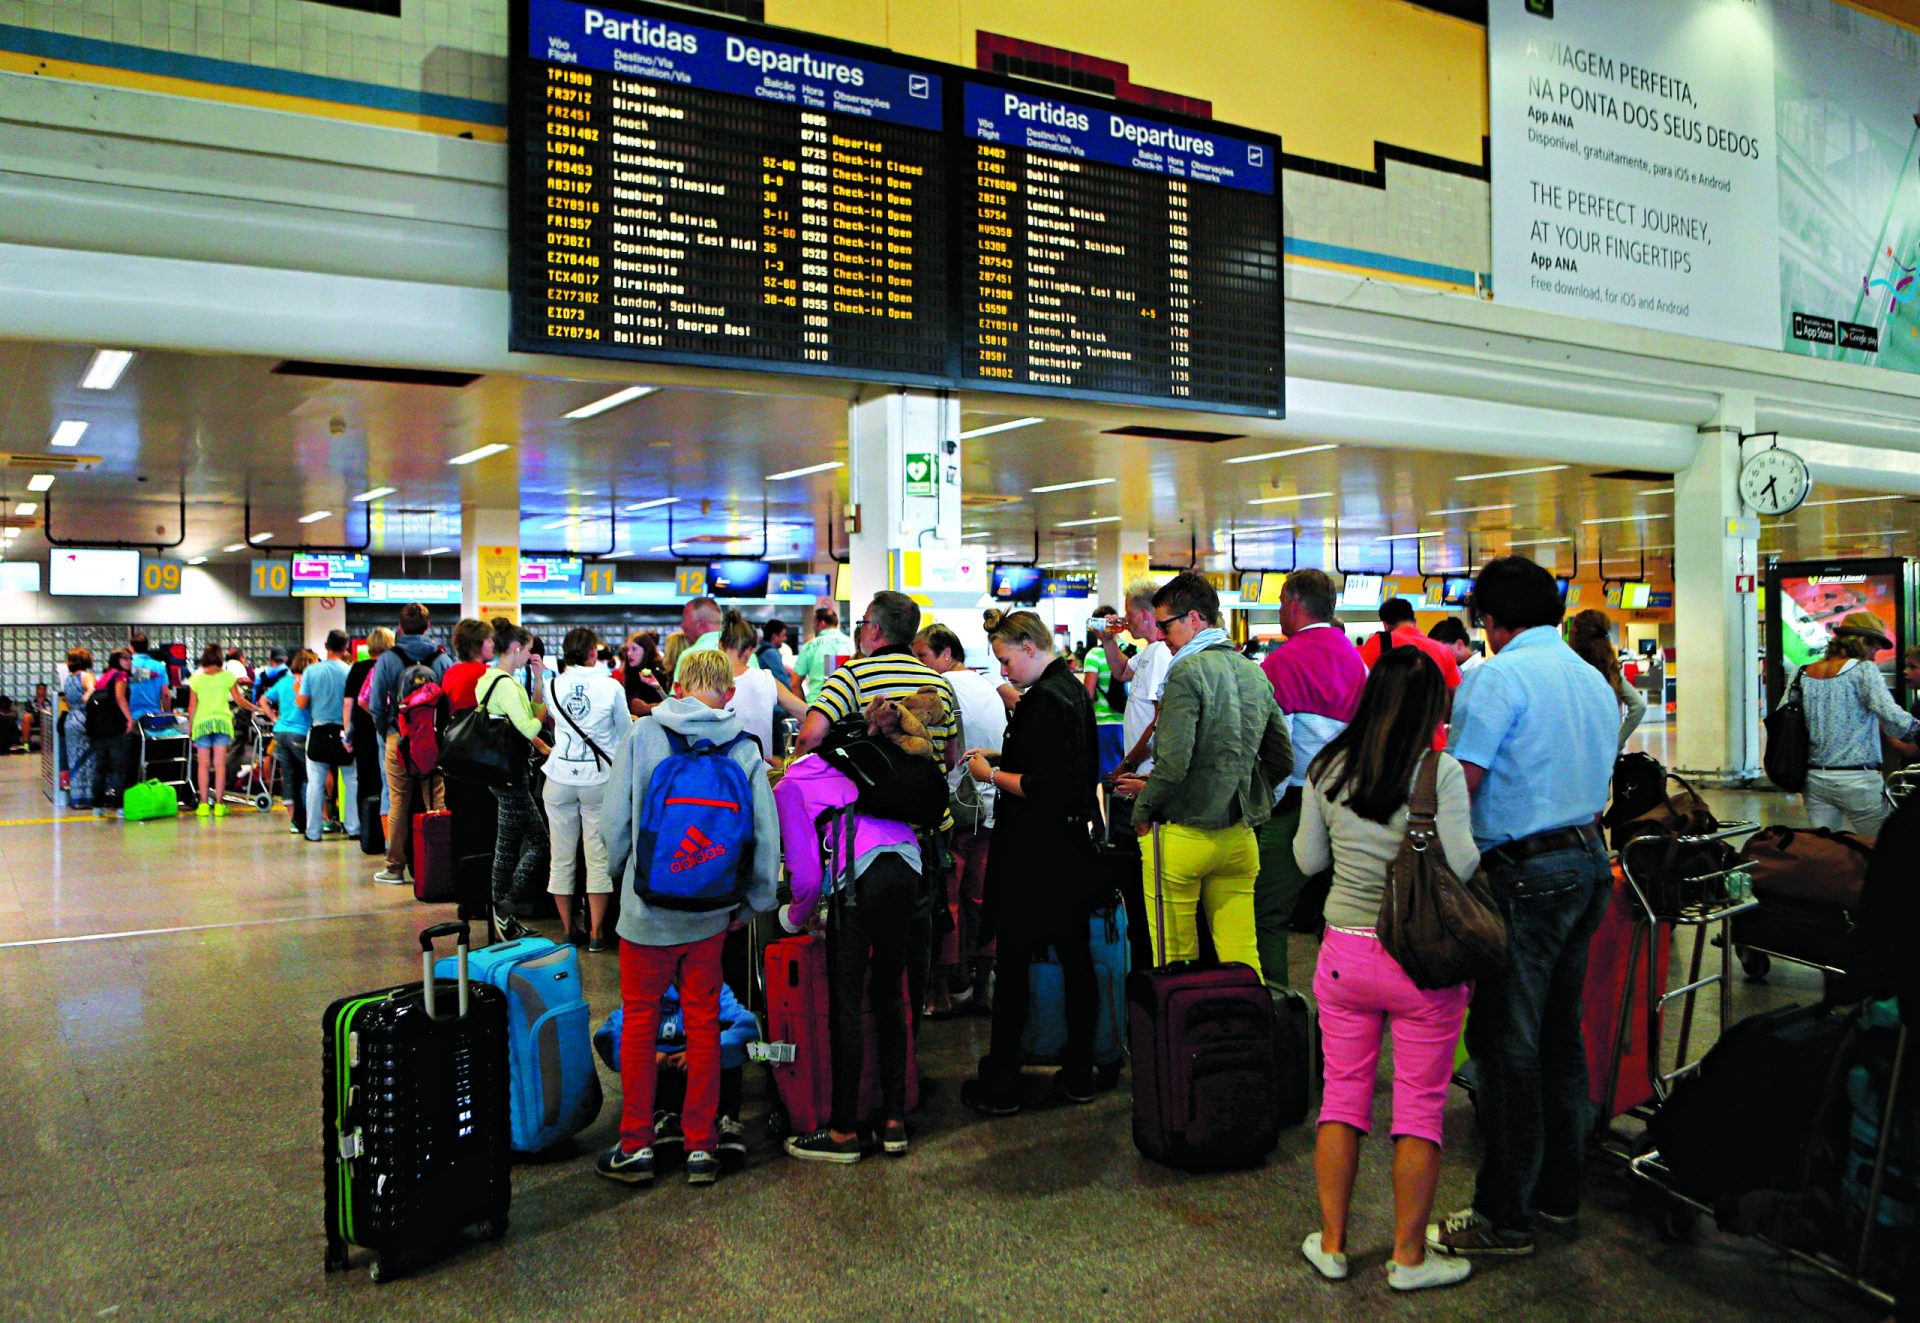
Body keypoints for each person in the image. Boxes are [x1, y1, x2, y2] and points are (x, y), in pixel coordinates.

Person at [1427, 556, 1618, 1260]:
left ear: (1489, 618)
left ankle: (1505, 1215)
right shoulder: (1591, 679)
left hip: (1525, 875)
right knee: (1561, 1038)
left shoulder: (1497, 677)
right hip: (1590, 862)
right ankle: (1561, 1195)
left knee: (1508, 1046)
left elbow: (1463, 783)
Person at [1294, 648, 1478, 1292]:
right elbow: (1463, 862)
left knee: (1342, 1098)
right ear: (1434, 708)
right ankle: (1407, 1258)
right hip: (1420, 960)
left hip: (1344, 953)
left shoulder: (1329, 767)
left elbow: (1308, 861)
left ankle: (1335, 1244)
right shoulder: (1440, 771)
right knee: (1419, 1107)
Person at [598, 649, 779, 1187]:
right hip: (710, 915)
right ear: (727, 694)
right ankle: (702, 1146)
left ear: (676, 685)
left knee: (639, 1021)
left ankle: (637, 1145)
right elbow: (764, 840)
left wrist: (623, 881)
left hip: (646, 913)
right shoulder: (744, 750)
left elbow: (613, 823)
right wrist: (751, 905)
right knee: (703, 1022)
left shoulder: (642, 735)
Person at [958, 609, 1102, 1115]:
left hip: (1032, 857)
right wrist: (1004, 759)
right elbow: (1065, 768)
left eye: (1005, 659)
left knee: (1014, 963)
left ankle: (1002, 1081)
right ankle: (1080, 1070)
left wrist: (988, 774)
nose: (1003, 671)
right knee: (1076, 960)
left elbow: (1042, 787)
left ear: (1028, 645)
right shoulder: (1072, 693)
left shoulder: (1042, 701)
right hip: (1071, 853)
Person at [793, 592, 960, 1023]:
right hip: (927, 834)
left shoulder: (852, 678)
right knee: (914, 945)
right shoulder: (938, 683)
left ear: (874, 630)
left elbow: (811, 736)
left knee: (861, 957)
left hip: (870, 843)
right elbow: (953, 757)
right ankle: (905, 1046)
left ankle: (860, 1048)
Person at [1115, 573, 1292, 977]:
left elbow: (1174, 762)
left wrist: (1143, 808)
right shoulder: (1253, 673)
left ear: (1194, 619)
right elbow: (1281, 757)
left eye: (1165, 625)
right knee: (1242, 954)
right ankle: (1247, 1035)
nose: (1160, 636)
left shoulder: (1185, 671)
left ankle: (1184, 1040)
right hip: (1239, 837)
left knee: (1175, 959)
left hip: (1181, 835)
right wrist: (1246, 791)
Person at [1255, 568, 1368, 986]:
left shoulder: (1282, 663)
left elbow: (1279, 752)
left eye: (1281, 603)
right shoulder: (1356, 661)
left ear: (1294, 605)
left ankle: (1276, 1007)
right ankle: (1345, 995)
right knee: (1347, 913)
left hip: (1297, 806)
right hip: (1353, 802)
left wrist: (1267, 805)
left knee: (1267, 911)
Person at [912, 623, 1008, 1016]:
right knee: (982, 900)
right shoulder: (988, 685)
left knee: (946, 902)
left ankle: (943, 993)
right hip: (990, 807)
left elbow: (947, 756)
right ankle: (982, 988)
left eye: (923, 657)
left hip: (955, 810)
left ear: (946, 654)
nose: (919, 665)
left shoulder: (942, 689)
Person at [1787, 612, 1918, 837]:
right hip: (1858, 780)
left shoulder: (1801, 673)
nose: (1874, 656)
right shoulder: (1864, 670)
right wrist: (1915, 727)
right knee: (1882, 845)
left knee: (1826, 847)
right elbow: (1893, 717)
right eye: (1874, 649)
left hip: (1815, 779)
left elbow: (1785, 717)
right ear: (1862, 642)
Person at [545, 626, 631, 952]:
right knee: (598, 857)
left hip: (559, 777)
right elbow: (624, 733)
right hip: (599, 779)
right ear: (593, 653)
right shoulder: (610, 687)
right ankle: (596, 933)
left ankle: (568, 930)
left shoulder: (551, 684)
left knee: (561, 857)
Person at [368, 603, 452, 886]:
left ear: (400, 628)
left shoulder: (388, 659)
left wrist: (388, 732)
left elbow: (376, 703)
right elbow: (448, 700)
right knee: (437, 799)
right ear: (428, 627)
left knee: (398, 802)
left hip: (399, 738)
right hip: (433, 740)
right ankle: (441, 862)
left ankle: (394, 868)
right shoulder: (440, 659)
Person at [479, 620, 551, 940]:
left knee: (506, 846)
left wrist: (537, 679)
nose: (529, 656)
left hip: (500, 773)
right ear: (516, 649)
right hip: (511, 775)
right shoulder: (505, 685)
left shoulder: (491, 680)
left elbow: (529, 709)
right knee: (539, 843)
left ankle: (501, 914)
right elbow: (531, 727)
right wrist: (547, 709)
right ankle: (504, 907)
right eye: (528, 650)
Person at [718, 610, 806, 763]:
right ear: (750, 650)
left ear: (720, 645)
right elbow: (809, 715)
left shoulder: (708, 681)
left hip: (721, 774)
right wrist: (791, 760)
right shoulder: (767, 680)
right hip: (761, 774)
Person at [299, 630, 358, 843]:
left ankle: (313, 832)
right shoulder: (350, 671)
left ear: (326, 646)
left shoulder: (311, 671)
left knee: (315, 783)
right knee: (350, 780)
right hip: (345, 732)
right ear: (346, 647)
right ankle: (353, 827)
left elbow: (303, 703)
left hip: (319, 731)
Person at [187, 643, 259, 817]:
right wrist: (256, 708)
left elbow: (192, 707)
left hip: (202, 724)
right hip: (222, 723)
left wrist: (190, 727)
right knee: (220, 766)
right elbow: (239, 700)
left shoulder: (195, 679)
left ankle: (203, 805)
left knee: (203, 766)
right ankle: (219, 805)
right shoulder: (228, 677)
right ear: (219, 657)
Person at [1565, 610, 1647, 752]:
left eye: (1572, 630)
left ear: (1578, 635)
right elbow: (1639, 705)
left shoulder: (1571, 667)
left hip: (1578, 753)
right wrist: (1618, 742)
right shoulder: (1610, 670)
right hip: (1607, 754)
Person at [261, 650, 315, 836]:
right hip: (300, 732)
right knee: (310, 775)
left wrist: (273, 717)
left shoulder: (284, 681)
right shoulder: (307, 681)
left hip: (280, 732)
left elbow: (263, 699)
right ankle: (311, 817)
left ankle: (294, 821)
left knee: (289, 777)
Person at [1079, 606, 1129, 779]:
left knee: (1109, 777)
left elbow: (1089, 694)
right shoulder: (1132, 651)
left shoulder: (1094, 655)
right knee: (1127, 774)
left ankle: (1109, 807)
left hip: (1103, 723)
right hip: (1129, 722)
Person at [345, 630, 387, 834]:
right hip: (385, 729)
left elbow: (348, 703)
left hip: (362, 731)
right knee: (385, 781)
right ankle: (385, 828)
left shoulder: (358, 668)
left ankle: (367, 829)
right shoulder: (389, 666)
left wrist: (347, 732)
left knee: (365, 779)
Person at [89, 652, 136, 815]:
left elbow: (88, 697)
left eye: (130, 658)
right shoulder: (120, 676)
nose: (129, 662)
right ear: (117, 660)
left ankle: (97, 805)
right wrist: (129, 719)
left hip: (99, 728)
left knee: (100, 767)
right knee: (119, 767)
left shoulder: (104, 677)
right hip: (116, 727)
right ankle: (119, 806)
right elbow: (120, 697)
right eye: (125, 658)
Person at [792, 605, 854, 704]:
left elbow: (795, 683)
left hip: (817, 707)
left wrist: (804, 711)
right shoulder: (851, 644)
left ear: (822, 623)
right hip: (846, 707)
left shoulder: (809, 646)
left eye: (814, 623)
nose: (813, 627)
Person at [61, 648, 97, 810]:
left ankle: (77, 798)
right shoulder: (87, 676)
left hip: (71, 720)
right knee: (89, 759)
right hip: (85, 719)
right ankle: (90, 797)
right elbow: (92, 691)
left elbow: (68, 702)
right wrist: (86, 700)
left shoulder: (68, 680)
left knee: (75, 759)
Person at [440, 618, 494, 714]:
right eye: (489, 641)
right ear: (476, 645)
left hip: (455, 727)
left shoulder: (450, 672)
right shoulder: (487, 673)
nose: (493, 645)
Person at [620, 630, 667, 718]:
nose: (629, 653)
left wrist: (647, 708)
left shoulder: (658, 670)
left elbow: (673, 702)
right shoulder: (631, 671)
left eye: (634, 649)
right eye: (627, 649)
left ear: (646, 650)